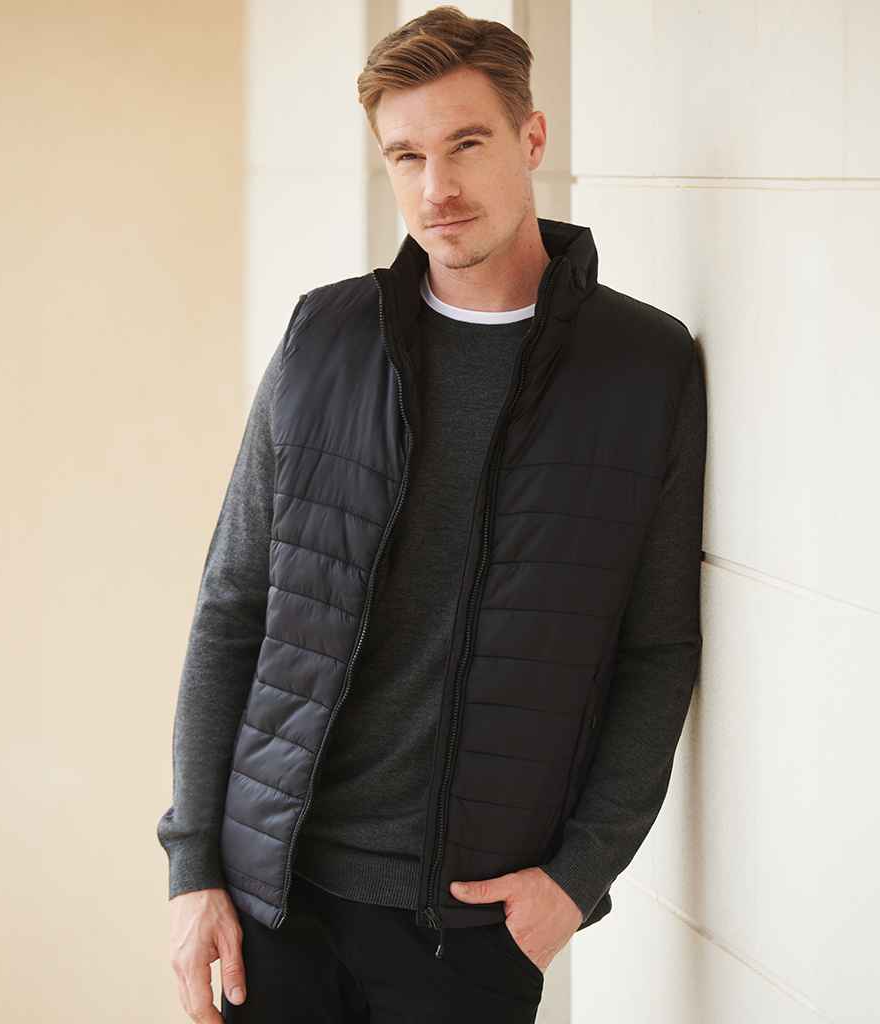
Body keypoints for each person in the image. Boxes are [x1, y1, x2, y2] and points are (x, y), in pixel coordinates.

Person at [157, 5, 708, 1022]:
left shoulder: (642, 365)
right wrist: (193, 869)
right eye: (405, 156)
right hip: (272, 906)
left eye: (466, 144)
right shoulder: (326, 336)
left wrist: (576, 879)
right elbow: (232, 605)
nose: (435, 187)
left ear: (531, 137)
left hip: (469, 934)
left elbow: (657, 646)